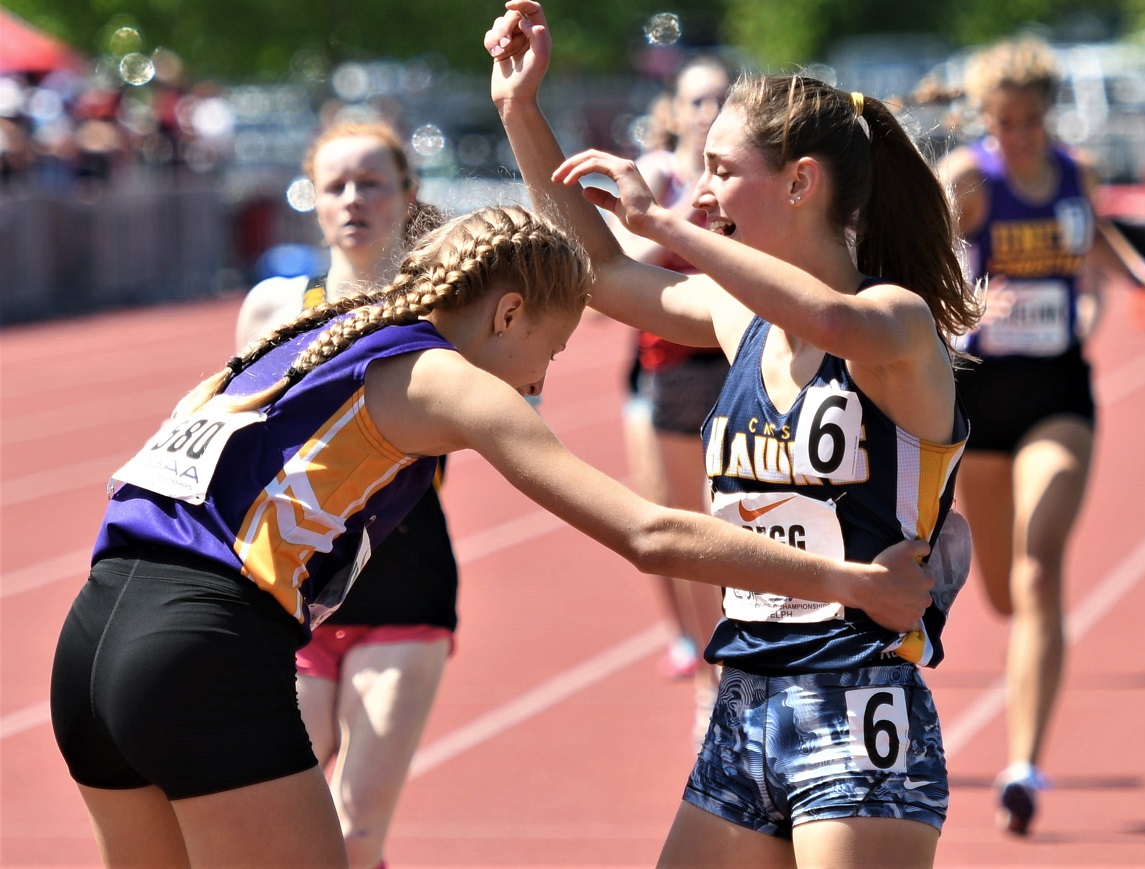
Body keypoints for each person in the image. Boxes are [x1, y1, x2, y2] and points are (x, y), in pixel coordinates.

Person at [50, 202, 940, 867]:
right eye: (551, 351)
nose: (542, 378)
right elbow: (648, 531)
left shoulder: (314, 333)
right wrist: (851, 580)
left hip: (90, 643)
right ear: (507, 313)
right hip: (200, 648)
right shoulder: (441, 372)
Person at [486, 3, 980, 864]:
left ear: (798, 184)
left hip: (855, 706)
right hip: (744, 700)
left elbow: (829, 315)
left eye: (721, 169)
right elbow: (600, 272)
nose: (701, 190)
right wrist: (521, 112)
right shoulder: (735, 315)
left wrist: (667, 226)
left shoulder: (892, 320)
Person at [934, 35, 1145, 836]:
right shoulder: (969, 181)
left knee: (1039, 567)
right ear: (985, 118)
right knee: (996, 590)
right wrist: (970, 303)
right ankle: (1024, 659)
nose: (1018, 134)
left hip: (1058, 391)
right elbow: (923, 260)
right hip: (980, 402)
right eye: (1003, 121)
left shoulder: (1073, 172)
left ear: (1046, 115)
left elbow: (1094, 235)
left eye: (1029, 120)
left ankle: (1022, 764)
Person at [235, 119, 455, 869]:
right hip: (289, 597)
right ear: (314, 200)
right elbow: (236, 440)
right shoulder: (274, 307)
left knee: (356, 831)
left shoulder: (442, 310)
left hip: (403, 593)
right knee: (278, 833)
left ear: (407, 195)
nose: (354, 199)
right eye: (337, 186)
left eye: (372, 183)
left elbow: (517, 409)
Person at [612, 56, 737, 709]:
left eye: (722, 97)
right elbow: (622, 264)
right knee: (685, 527)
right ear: (677, 111)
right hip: (669, 366)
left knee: (746, 523)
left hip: (738, 356)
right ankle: (705, 674)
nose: (710, 110)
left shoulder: (749, 175)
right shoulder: (658, 177)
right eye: (698, 101)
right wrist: (684, 208)